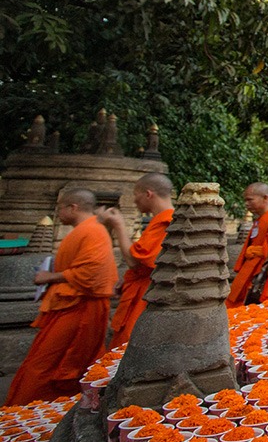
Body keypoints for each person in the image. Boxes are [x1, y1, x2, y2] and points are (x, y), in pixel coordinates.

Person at [6, 188, 117, 405]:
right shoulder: (85, 231)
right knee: (52, 363)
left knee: (47, 364)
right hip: (70, 304)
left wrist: (51, 277)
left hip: (80, 308)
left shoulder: (93, 231)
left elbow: (92, 273)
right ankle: (34, 410)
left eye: (60, 208)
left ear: (73, 207)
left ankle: (29, 408)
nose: (57, 214)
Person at [101, 172, 173, 348]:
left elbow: (136, 261)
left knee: (128, 346)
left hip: (147, 294)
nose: (135, 201)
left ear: (148, 194)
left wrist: (118, 226)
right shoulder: (161, 220)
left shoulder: (166, 221)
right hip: (142, 288)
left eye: (136, 195)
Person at [227, 183, 268, 307]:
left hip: (262, 272)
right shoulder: (261, 218)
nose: (246, 204)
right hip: (251, 268)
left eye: (250, 200)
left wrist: (257, 251)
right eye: (245, 200)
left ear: (265, 198)